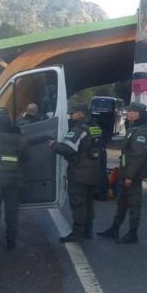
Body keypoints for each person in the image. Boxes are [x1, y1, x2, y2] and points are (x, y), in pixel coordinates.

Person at [98, 102, 147, 244]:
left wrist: (130, 176)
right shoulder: (133, 128)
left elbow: (138, 156)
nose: (127, 113)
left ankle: (132, 233)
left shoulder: (141, 132)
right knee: (122, 203)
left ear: (137, 114)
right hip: (125, 173)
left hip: (132, 175)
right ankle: (114, 229)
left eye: (130, 111)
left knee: (134, 204)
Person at [50, 103, 99, 242]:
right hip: (92, 172)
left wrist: (53, 145)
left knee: (78, 204)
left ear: (80, 114)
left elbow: (67, 149)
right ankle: (87, 231)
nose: (70, 116)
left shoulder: (78, 130)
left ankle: (78, 233)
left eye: (72, 113)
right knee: (89, 204)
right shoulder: (95, 128)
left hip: (79, 173)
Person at [0, 110, 31, 249]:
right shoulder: (20, 137)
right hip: (16, 179)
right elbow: (26, 157)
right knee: (12, 212)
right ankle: (11, 241)